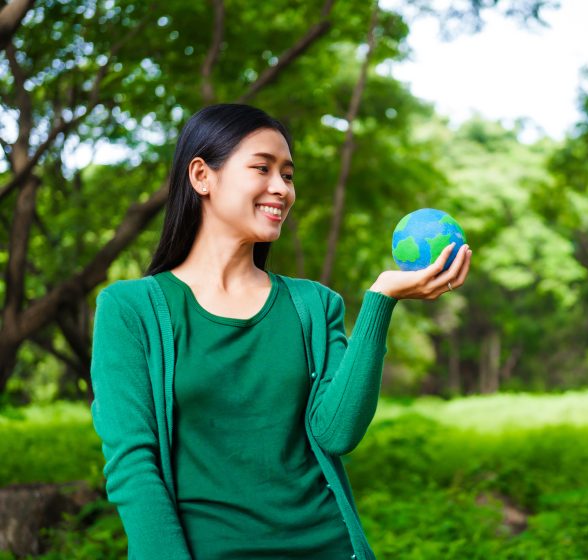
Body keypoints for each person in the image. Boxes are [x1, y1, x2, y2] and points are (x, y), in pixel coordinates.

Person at [89, 103, 472, 560]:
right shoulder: (130, 310)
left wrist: (380, 301)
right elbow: (133, 465)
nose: (281, 189)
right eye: (262, 168)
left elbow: (336, 434)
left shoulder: (314, 305)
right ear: (201, 176)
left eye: (288, 175)